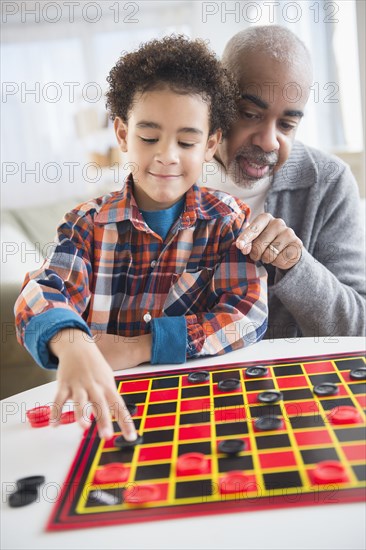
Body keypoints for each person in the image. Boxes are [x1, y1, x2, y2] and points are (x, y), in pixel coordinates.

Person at [14, 36, 268, 441]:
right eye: (149, 137)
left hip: (200, 409)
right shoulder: (87, 224)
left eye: (186, 142)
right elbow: (41, 292)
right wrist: (72, 340)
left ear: (211, 144)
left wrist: (139, 346)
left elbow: (246, 317)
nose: (167, 154)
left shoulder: (227, 221)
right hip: (104, 413)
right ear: (122, 134)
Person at [202, 25, 365, 339]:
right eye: (250, 114)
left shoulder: (329, 183)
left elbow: (358, 328)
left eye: (287, 124)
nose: (269, 142)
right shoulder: (172, 176)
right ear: (216, 101)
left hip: (291, 382)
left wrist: (296, 265)